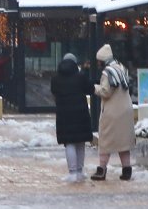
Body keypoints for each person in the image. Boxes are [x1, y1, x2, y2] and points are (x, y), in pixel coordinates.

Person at [92, 45, 136, 181]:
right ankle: (126, 169)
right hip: (126, 111)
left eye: (98, 61)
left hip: (112, 112)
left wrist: (94, 87)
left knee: (105, 141)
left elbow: (106, 92)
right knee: (123, 142)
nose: (98, 64)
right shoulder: (121, 67)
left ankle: (101, 169)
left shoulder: (107, 72)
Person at [50, 54, 96, 184]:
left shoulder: (56, 79)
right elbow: (90, 89)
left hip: (64, 113)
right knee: (80, 141)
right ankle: (80, 171)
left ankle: (72, 172)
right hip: (80, 112)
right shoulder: (80, 76)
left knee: (69, 142)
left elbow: (54, 92)